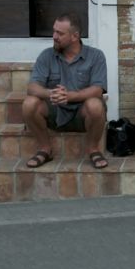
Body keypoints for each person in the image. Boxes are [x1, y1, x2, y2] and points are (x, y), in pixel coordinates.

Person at [23, 12, 109, 169]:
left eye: (60, 33)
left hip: (82, 113)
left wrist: (71, 96)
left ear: (75, 36)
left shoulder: (96, 56)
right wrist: (51, 93)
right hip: (54, 111)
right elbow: (32, 87)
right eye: (54, 31)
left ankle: (93, 149)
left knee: (96, 105)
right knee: (29, 103)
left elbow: (98, 89)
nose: (54, 36)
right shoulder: (46, 55)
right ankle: (45, 149)